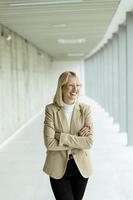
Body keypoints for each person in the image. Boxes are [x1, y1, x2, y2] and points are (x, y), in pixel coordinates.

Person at [43, 71, 93, 200]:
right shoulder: (51, 110)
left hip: (81, 167)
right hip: (57, 167)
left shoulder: (85, 109)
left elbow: (88, 142)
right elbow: (49, 143)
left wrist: (61, 136)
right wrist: (78, 140)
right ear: (62, 87)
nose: (75, 89)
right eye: (71, 85)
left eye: (78, 85)